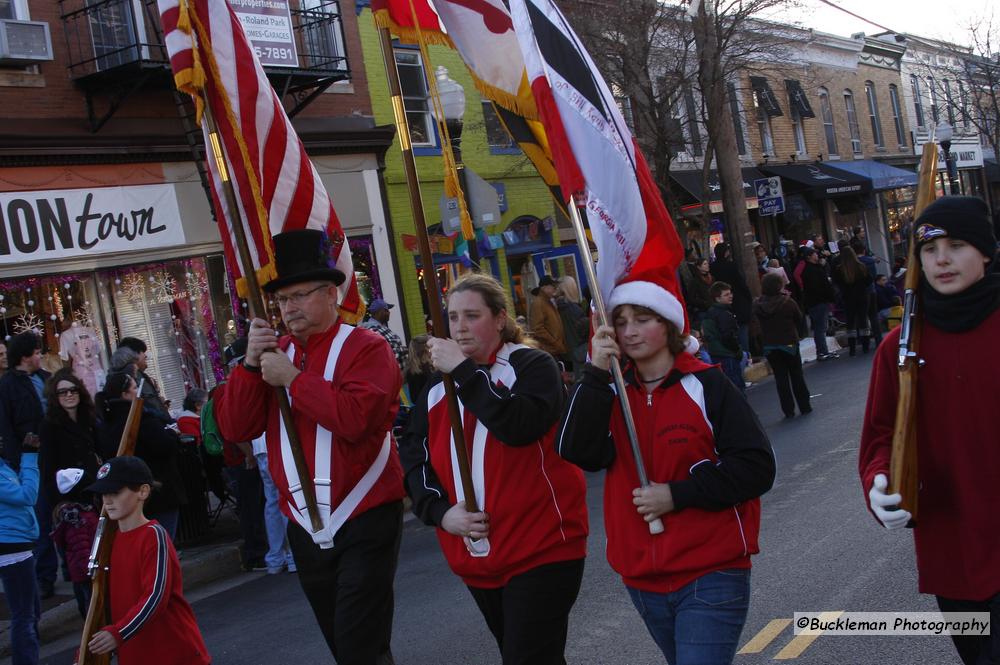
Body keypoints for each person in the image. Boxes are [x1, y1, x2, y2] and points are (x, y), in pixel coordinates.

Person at [557, 264, 775, 665]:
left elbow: (757, 467)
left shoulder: (708, 385)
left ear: (670, 324)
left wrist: (678, 495)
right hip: (642, 577)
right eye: (621, 322)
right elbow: (576, 450)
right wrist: (595, 373)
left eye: (643, 319)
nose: (630, 332)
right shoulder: (611, 392)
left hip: (712, 570)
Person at [212, 228, 405, 665]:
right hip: (303, 520)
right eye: (282, 300)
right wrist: (247, 366)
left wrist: (295, 381)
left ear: (332, 295)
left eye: (300, 295)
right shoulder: (274, 352)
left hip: (364, 512)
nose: (289, 307)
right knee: (349, 645)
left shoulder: (366, 347)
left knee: (359, 644)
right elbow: (236, 426)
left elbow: (356, 420)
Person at [400, 273, 588, 664]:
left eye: (472, 315)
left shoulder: (533, 365)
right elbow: (414, 458)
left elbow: (519, 426)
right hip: (477, 555)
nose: (460, 327)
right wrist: (439, 513)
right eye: (453, 318)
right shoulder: (436, 390)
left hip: (543, 547)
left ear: (500, 319)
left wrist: (466, 373)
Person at [859, 196, 999, 665]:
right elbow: (881, 434)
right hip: (950, 546)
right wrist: (880, 482)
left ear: (985, 252)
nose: (941, 259)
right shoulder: (898, 347)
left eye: (956, 245)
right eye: (929, 248)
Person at [84, 456, 209, 664]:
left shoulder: (153, 534)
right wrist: (89, 646)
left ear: (143, 492)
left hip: (173, 652)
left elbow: (155, 596)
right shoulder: (110, 541)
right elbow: (102, 600)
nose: (107, 500)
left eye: (115, 492)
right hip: (135, 653)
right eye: (104, 493)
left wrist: (119, 632)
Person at [96, 372, 186, 541]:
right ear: (124, 394)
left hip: (128, 496)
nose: (138, 392)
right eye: (135, 388)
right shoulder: (140, 419)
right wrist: (172, 435)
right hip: (157, 491)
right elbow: (164, 445)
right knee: (159, 544)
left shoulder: (106, 423)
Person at [0, 331, 57, 600]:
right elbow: (6, 427)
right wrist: (17, 462)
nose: (40, 356)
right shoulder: (7, 386)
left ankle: (74, 566)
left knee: (63, 512)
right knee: (41, 515)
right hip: (29, 461)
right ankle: (44, 575)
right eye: (36, 352)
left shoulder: (47, 379)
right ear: (24, 356)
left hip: (57, 456)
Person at [0, 430, 41, 665]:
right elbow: (28, 495)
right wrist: (29, 455)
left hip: (17, 545)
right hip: (11, 549)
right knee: (25, 616)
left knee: (31, 613)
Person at [753, 273, 812, 419]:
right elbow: (799, 319)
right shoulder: (788, 302)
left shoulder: (757, 305)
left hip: (770, 346)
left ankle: (788, 410)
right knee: (797, 375)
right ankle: (804, 406)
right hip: (789, 343)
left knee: (780, 378)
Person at [709, 242, 754, 352]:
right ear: (725, 253)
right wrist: (748, 297)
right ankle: (746, 354)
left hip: (722, 302)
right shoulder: (731, 265)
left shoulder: (713, 267)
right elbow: (740, 282)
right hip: (738, 302)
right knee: (742, 331)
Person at [701, 282, 745, 392]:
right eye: (726, 294)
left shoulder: (711, 313)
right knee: (736, 388)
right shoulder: (723, 313)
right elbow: (728, 336)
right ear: (717, 298)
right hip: (727, 354)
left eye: (730, 293)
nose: (730, 296)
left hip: (717, 354)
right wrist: (737, 351)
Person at [116, 338, 171, 420]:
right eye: (142, 352)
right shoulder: (131, 377)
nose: (146, 356)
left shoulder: (137, 375)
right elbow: (147, 405)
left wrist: (160, 405)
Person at [832, 245, 874, 356]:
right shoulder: (861, 266)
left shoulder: (840, 269)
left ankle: (852, 349)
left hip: (848, 298)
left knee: (850, 322)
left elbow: (837, 283)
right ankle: (865, 345)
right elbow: (869, 280)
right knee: (863, 320)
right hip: (862, 296)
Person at [800, 247, 839, 361]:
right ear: (809, 257)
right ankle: (822, 352)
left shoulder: (812, 269)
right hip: (818, 302)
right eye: (814, 254)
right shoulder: (812, 271)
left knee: (821, 327)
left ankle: (823, 351)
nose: (817, 256)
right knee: (820, 328)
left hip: (817, 302)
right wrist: (828, 296)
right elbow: (820, 286)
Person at [361, 299, 408, 373]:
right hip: (392, 377)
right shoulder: (373, 330)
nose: (389, 312)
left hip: (399, 376)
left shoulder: (380, 328)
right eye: (386, 310)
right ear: (379, 312)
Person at [555, 275, 589, 378]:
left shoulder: (557, 308)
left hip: (568, 352)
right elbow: (582, 330)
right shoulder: (574, 309)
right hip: (580, 352)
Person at [528, 275, 567, 358]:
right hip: (548, 350)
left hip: (552, 350)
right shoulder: (538, 303)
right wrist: (555, 342)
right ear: (544, 287)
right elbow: (537, 329)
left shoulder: (547, 301)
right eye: (553, 286)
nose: (555, 288)